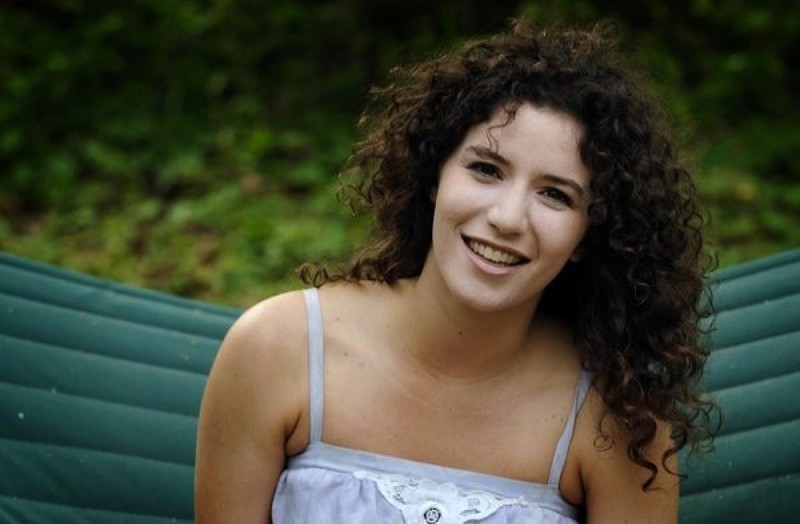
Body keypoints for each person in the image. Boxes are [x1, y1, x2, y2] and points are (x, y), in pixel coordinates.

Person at [195, 18, 717, 524]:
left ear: (589, 235)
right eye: (486, 169)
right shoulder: (276, 350)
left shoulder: (620, 421)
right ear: (434, 176)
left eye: (555, 195)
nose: (507, 218)